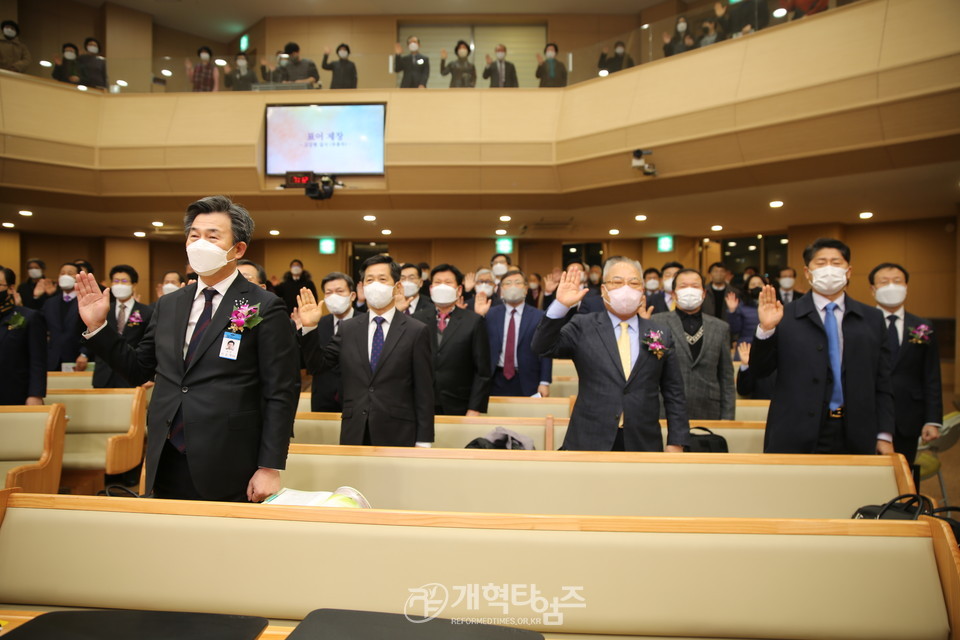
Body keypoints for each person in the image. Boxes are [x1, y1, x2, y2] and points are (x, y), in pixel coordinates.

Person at [77, 195, 300, 502]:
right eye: (194, 235)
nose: (199, 243)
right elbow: (138, 369)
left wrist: (270, 466)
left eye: (212, 236)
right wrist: (97, 328)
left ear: (238, 249)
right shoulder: (169, 305)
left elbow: (281, 391)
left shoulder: (263, 306)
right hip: (167, 451)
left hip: (229, 457)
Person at [749, 238, 895, 455]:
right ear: (808, 273)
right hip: (795, 430)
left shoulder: (872, 319)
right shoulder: (784, 315)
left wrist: (884, 434)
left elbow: (883, 382)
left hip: (856, 430)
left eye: (836, 263)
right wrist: (766, 329)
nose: (829, 269)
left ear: (848, 271)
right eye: (821, 262)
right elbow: (759, 371)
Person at [532, 257, 690, 452]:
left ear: (642, 291)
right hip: (589, 439)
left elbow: (674, 392)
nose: (626, 288)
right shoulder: (583, 325)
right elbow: (542, 347)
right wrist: (561, 305)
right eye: (617, 282)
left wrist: (676, 441)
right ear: (604, 290)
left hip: (642, 441)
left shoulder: (658, 333)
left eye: (633, 283)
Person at [298, 255, 434, 446]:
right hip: (355, 429)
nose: (375, 285)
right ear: (362, 287)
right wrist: (310, 328)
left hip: (398, 431)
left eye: (382, 279)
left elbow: (424, 390)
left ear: (398, 287)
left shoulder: (416, 330)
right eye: (370, 280)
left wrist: (424, 439)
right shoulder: (348, 328)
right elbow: (318, 365)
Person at [868, 262, 942, 467]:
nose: (892, 286)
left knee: (904, 474)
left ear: (906, 286)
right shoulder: (861, 323)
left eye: (897, 281)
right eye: (884, 282)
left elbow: (931, 375)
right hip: (868, 413)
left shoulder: (922, 326)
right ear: (873, 289)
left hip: (908, 415)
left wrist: (932, 420)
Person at [652, 269, 735, 420]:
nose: (689, 290)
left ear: (703, 293)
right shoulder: (655, 323)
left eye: (695, 286)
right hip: (666, 410)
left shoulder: (720, 327)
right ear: (674, 294)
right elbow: (650, 367)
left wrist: (727, 418)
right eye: (683, 286)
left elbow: (726, 378)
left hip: (709, 411)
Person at [421, 264, 491, 416]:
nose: (442, 287)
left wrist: (475, 408)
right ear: (431, 289)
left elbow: (482, 371)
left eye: (448, 282)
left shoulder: (473, 321)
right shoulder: (417, 319)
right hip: (421, 403)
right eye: (438, 283)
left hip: (459, 403)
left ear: (459, 290)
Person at [487, 269, 552, 398]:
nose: (513, 287)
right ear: (501, 289)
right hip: (495, 378)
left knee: (526, 417)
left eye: (518, 283)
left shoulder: (539, 316)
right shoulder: (490, 314)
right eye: (508, 283)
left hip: (528, 379)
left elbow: (545, 351)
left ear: (526, 289)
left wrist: (544, 382)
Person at [91, 265, 153, 389]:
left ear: (134, 285)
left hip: (132, 373)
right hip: (104, 374)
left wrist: (149, 377)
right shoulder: (103, 310)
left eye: (124, 281)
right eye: (116, 281)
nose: (119, 284)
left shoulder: (146, 312)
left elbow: (151, 346)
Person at [306, 272, 357, 413]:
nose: (334, 296)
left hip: (357, 398)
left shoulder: (365, 322)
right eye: (329, 292)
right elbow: (311, 364)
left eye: (340, 291)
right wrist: (307, 328)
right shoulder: (317, 324)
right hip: (323, 398)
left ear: (352, 295)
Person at [0, 267, 46, 406]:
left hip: (14, 393)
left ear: (10, 288)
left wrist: (36, 394)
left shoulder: (27, 316)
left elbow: (38, 360)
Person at [41, 262, 88, 372]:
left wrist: (84, 353)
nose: (65, 276)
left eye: (70, 273)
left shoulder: (85, 301)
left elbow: (93, 330)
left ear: (79, 278)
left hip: (77, 359)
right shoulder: (50, 303)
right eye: (62, 273)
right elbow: (40, 327)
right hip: (52, 360)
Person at [725, 274, 767, 348]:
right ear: (748, 289)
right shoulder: (742, 306)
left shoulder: (774, 305)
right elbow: (735, 329)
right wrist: (732, 311)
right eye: (753, 284)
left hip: (768, 345)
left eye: (760, 284)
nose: (756, 286)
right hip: (746, 346)